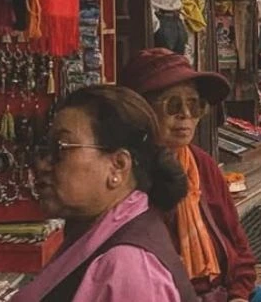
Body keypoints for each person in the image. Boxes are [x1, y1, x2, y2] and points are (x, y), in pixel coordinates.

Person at [14, 85, 197, 301]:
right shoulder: (94, 232)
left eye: (61, 148)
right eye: (45, 148)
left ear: (118, 166)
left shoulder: (128, 266)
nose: (43, 164)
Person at [121, 49, 257, 301]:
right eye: (173, 105)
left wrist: (239, 295)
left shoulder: (201, 164)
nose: (185, 115)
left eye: (194, 105)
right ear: (141, 111)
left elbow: (239, 247)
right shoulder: (125, 174)